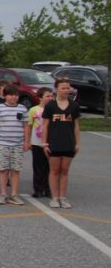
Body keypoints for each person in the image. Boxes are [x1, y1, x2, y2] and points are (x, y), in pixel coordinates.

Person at [43, 77, 80, 209]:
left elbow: (76, 126)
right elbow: (45, 126)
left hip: (68, 143)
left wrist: (77, 143)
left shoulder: (74, 106)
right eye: (63, 88)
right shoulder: (50, 106)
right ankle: (54, 197)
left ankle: (62, 197)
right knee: (54, 171)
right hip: (54, 143)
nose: (66, 90)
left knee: (64, 171)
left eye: (67, 88)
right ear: (56, 89)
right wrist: (44, 143)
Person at [0, 84, 30, 205]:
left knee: (15, 170)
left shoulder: (23, 109)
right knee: (3, 170)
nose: (13, 97)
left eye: (16, 95)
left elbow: (26, 126)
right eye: (11, 95)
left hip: (17, 144)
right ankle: (3, 194)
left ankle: (14, 194)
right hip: (3, 143)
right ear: (5, 96)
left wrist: (26, 141)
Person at [28, 87, 53, 198]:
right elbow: (29, 126)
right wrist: (28, 141)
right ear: (40, 97)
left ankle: (49, 188)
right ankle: (38, 188)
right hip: (36, 141)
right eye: (47, 96)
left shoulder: (53, 109)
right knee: (38, 166)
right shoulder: (34, 110)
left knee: (49, 166)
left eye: (51, 96)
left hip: (50, 142)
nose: (50, 98)